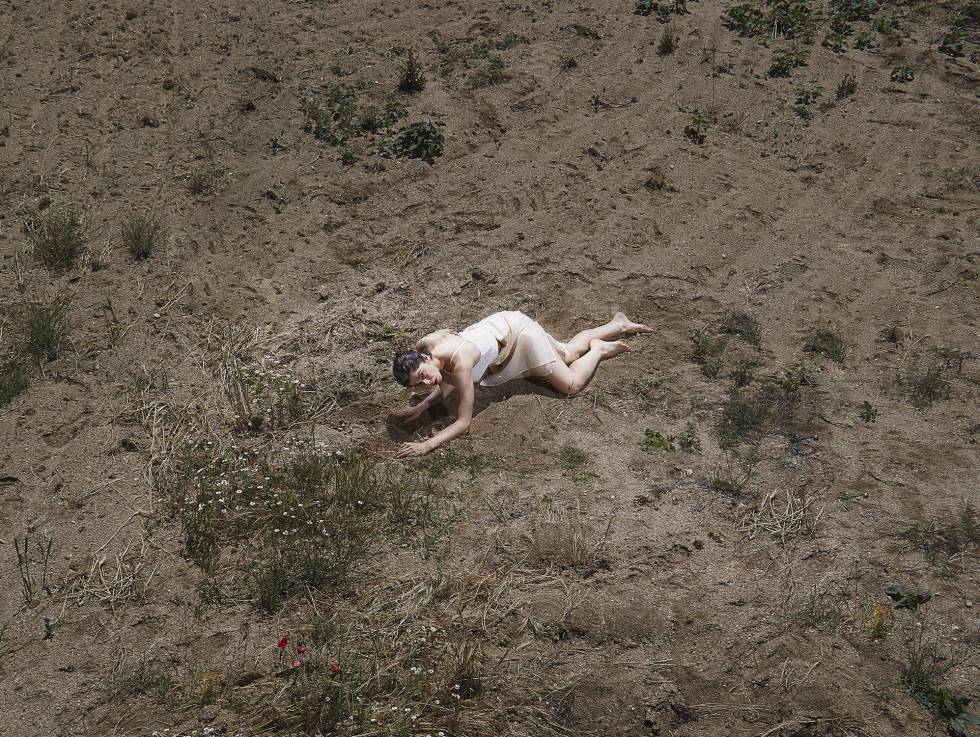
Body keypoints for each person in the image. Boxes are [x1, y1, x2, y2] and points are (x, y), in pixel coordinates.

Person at [391, 311, 652, 457]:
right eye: (420, 384)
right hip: (502, 326)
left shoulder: (461, 363)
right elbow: (443, 382)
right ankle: (617, 324)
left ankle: (599, 350)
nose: (427, 381)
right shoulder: (424, 346)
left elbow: (463, 422)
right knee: (569, 353)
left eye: (423, 374)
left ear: (424, 359)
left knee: (570, 385)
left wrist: (427, 445)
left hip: (519, 338)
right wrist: (423, 406)